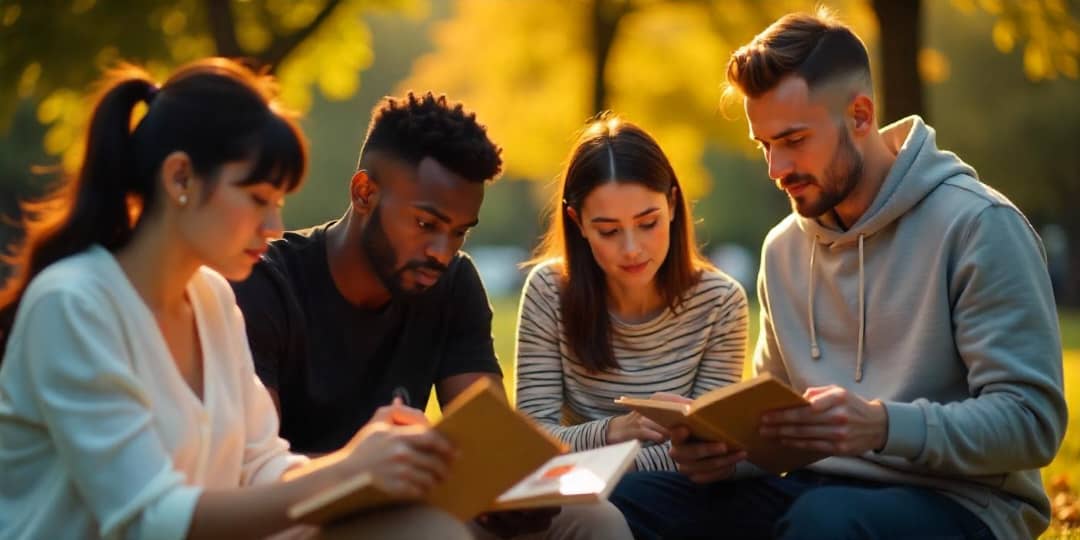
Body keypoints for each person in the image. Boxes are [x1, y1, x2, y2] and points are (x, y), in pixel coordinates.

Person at [610, 10, 1068, 540]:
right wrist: (724, 453)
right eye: (765, 145)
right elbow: (779, 431)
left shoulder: (979, 225)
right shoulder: (783, 249)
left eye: (794, 140)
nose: (776, 169)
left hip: (961, 503)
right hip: (815, 490)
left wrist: (884, 425)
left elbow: (1031, 422)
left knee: (823, 522)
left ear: (860, 114)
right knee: (631, 500)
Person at [0, 59, 468, 540]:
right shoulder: (74, 304)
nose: (273, 227)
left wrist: (369, 459)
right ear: (180, 178)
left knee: (426, 528)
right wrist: (348, 472)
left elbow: (261, 465)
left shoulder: (213, 298)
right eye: (257, 197)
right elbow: (150, 520)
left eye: (278, 202)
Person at [231, 93, 630, 539]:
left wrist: (511, 490)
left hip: (409, 503)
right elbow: (252, 467)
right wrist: (367, 469)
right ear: (365, 193)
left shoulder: (452, 284)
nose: (442, 253)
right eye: (426, 225)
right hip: (296, 513)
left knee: (596, 520)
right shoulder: (267, 285)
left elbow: (491, 440)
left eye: (458, 232)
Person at [516, 115, 748, 471]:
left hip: (676, 500)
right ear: (577, 223)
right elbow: (530, 440)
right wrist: (613, 431)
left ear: (672, 205)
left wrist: (596, 461)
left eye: (647, 223)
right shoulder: (548, 292)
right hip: (579, 502)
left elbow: (705, 454)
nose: (632, 249)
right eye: (608, 231)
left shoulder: (721, 303)